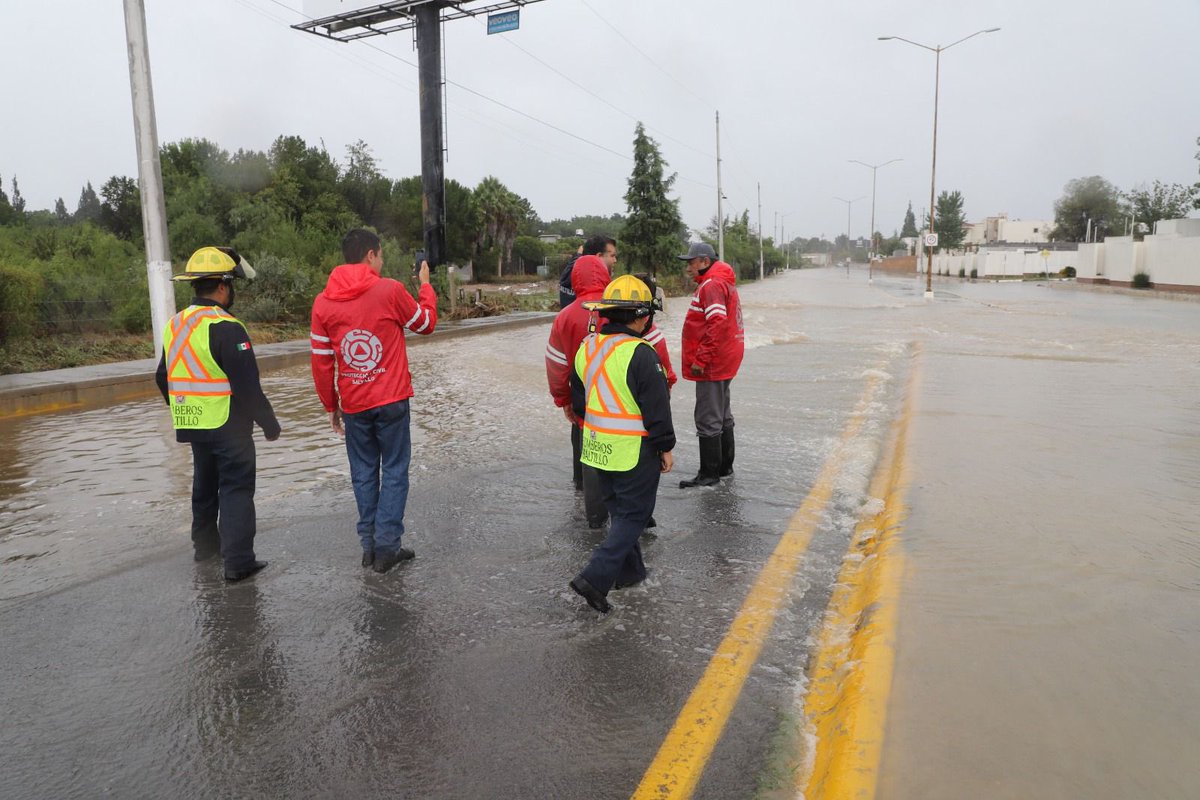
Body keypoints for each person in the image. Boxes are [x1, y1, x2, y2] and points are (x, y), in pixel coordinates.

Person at [310, 229, 438, 574]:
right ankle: (387, 547)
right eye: (380, 256)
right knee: (394, 470)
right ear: (370, 255)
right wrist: (425, 287)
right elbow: (425, 324)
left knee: (363, 473)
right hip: (392, 399)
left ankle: (369, 547)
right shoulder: (390, 290)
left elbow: (321, 361)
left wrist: (330, 405)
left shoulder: (323, 303)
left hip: (353, 403)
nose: (381, 262)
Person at [156, 246, 280, 582]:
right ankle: (238, 563)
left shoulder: (175, 324)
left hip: (193, 423)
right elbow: (247, 386)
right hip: (229, 425)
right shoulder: (227, 326)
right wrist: (269, 424)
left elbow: (161, 377)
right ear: (224, 287)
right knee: (237, 489)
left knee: (205, 487)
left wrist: (185, 407)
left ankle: (205, 551)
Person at [568, 275, 675, 613]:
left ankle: (632, 574)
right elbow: (657, 410)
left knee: (619, 511)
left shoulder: (588, 347)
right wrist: (665, 447)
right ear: (643, 316)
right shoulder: (643, 354)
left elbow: (580, 401)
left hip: (597, 447)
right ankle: (594, 578)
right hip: (634, 451)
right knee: (635, 515)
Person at [545, 254, 611, 527]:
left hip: (585, 401)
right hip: (626, 401)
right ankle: (633, 521)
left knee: (591, 457)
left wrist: (564, 400)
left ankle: (594, 521)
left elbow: (556, 365)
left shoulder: (565, 317)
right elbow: (653, 350)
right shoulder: (623, 307)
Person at [676, 242, 744, 488]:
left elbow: (715, 323)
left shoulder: (712, 285)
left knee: (708, 416)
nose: (689, 268)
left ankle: (709, 474)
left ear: (704, 261)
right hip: (725, 357)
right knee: (722, 413)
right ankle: (725, 467)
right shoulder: (722, 282)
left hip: (713, 362)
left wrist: (701, 359)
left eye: (691, 263)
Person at [558, 235, 617, 308]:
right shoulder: (594, 284)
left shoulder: (571, 270)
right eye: (612, 256)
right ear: (599, 256)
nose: (615, 260)